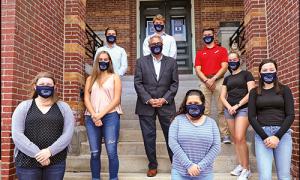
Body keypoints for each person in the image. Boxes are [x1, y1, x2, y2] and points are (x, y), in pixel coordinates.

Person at [11, 72, 75, 180]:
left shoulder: (63, 107)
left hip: (55, 161)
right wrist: (39, 154)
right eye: (42, 84)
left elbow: (67, 134)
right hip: (27, 162)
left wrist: (49, 151)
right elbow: (17, 135)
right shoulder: (24, 106)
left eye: (49, 84)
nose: (45, 86)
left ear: (55, 87)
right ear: (35, 86)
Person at [134, 35, 179, 177]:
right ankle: (152, 165)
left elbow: (174, 83)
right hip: (146, 105)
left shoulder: (171, 62)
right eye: (153, 44)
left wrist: (164, 99)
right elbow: (138, 83)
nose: (156, 45)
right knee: (149, 136)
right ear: (149, 46)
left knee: (171, 136)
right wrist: (148, 99)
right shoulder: (141, 62)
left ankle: (176, 165)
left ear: (162, 44)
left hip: (166, 105)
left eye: (159, 43)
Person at [248, 59, 295, 180]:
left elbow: (290, 115)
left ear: (276, 71)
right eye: (264, 70)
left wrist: (277, 136)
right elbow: (252, 117)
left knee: (284, 176)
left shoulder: (285, 90)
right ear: (259, 74)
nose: (268, 72)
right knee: (265, 176)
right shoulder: (254, 92)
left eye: (271, 70)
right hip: (262, 136)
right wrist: (265, 137)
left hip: (282, 135)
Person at [84, 51, 123, 180]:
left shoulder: (115, 77)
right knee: (95, 153)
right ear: (97, 62)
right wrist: (95, 116)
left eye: (106, 59)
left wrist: (100, 115)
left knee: (112, 152)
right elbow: (86, 99)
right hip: (91, 118)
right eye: (100, 59)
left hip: (111, 117)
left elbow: (116, 99)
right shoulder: (90, 78)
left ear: (110, 61)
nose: (103, 61)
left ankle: (113, 178)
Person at [169, 89, 221, 180]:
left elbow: (216, 147)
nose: (193, 105)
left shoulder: (211, 123)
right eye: (190, 103)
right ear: (185, 105)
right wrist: (189, 165)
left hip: (204, 173)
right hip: (180, 172)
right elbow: (173, 143)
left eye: (196, 103)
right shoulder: (177, 120)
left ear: (203, 104)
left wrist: (199, 167)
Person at [220, 51, 255, 179]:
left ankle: (247, 169)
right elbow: (222, 96)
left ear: (239, 60)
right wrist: (229, 107)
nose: (232, 62)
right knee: (235, 139)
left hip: (243, 109)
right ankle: (241, 165)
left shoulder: (247, 74)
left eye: (234, 59)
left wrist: (237, 105)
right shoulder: (227, 78)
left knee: (240, 137)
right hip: (230, 110)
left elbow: (251, 92)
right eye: (230, 60)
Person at [194, 28, 231, 144]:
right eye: (205, 35)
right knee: (204, 110)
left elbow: (224, 66)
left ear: (214, 36)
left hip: (219, 81)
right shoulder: (200, 52)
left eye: (209, 34)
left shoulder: (222, 50)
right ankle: (205, 135)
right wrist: (206, 80)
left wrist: (214, 78)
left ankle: (225, 135)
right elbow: (198, 69)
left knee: (221, 109)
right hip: (205, 82)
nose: (207, 36)